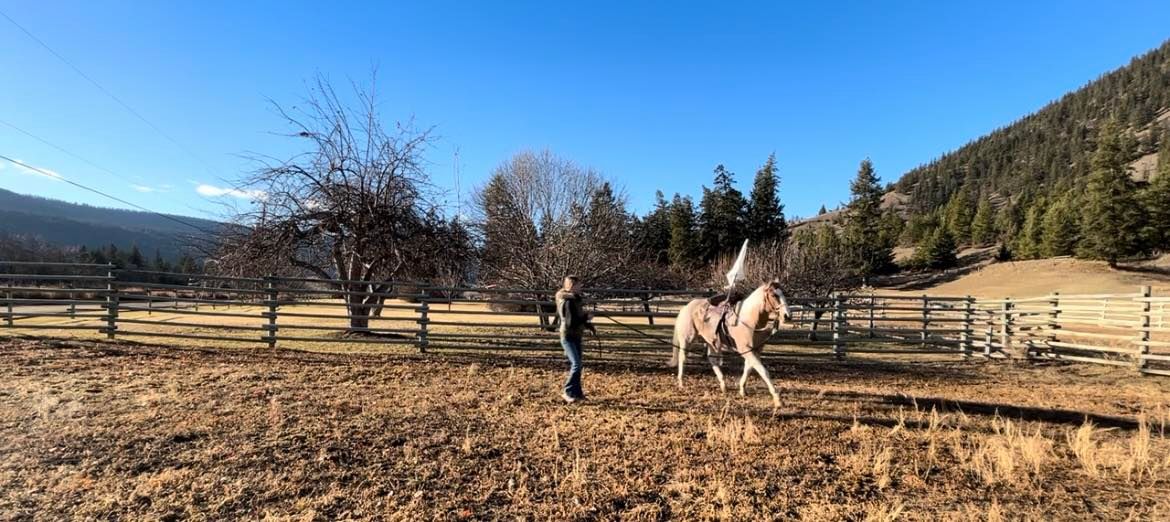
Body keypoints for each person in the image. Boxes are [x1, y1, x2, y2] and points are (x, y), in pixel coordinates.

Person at [555, 275, 595, 403]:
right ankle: (568, 391)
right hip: (568, 335)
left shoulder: (574, 300)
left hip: (576, 334)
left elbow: (576, 319)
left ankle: (577, 393)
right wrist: (586, 318)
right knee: (576, 364)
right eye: (578, 285)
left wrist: (588, 325)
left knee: (578, 364)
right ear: (572, 286)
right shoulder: (568, 302)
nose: (581, 287)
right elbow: (571, 321)